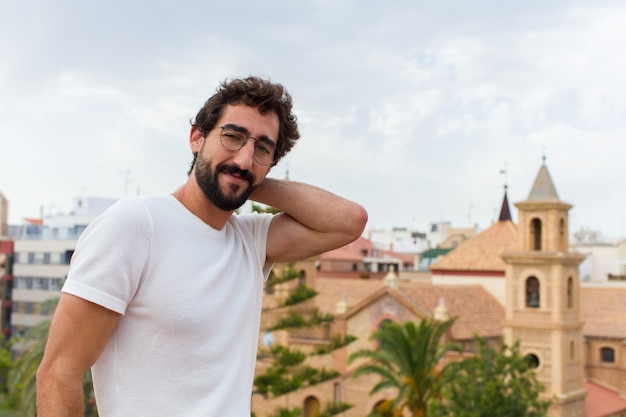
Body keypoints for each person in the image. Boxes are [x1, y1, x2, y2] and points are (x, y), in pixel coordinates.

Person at [36, 76, 368, 417]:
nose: (243, 157)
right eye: (232, 137)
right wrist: (240, 168)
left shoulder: (251, 242)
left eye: (262, 148)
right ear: (197, 137)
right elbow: (58, 372)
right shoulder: (135, 225)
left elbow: (349, 221)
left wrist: (247, 174)